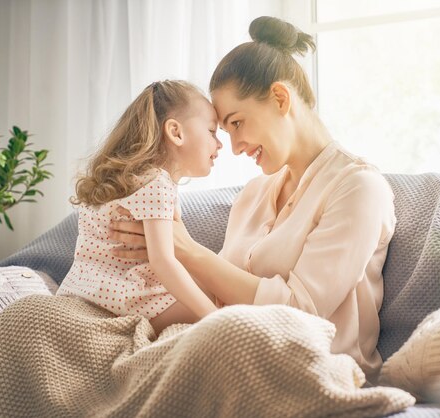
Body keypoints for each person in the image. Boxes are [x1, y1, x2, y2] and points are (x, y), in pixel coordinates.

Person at [109, 16, 396, 382]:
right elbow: (222, 302)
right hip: (233, 354)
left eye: (237, 123)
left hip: (313, 370)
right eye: (224, 132)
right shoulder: (253, 195)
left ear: (280, 98)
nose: (235, 147)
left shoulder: (358, 189)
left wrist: (184, 250)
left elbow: (301, 313)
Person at [57, 80, 222, 335]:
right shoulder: (158, 183)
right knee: (218, 296)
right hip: (126, 301)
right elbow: (163, 262)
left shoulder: (135, 179)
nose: (219, 144)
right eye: (212, 131)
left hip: (81, 292)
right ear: (176, 132)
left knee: (207, 288)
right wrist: (216, 319)